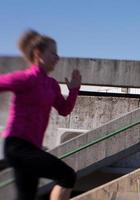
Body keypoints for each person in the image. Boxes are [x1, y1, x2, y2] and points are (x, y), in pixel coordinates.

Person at [1, 30, 82, 200]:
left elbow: (64, 109)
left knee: (27, 196)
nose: (57, 57)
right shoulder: (25, 79)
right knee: (67, 176)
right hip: (17, 146)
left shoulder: (52, 85)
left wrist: (73, 90)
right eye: (53, 53)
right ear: (38, 54)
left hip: (32, 147)